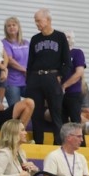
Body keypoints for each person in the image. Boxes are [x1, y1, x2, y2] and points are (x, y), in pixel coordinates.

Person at [25, 9, 71, 145]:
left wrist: (60, 76)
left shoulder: (60, 37)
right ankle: (39, 143)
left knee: (56, 113)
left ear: (48, 20)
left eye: (39, 20)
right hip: (35, 78)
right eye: (35, 21)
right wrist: (29, 81)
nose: (37, 23)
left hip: (52, 76)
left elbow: (67, 62)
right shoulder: (35, 39)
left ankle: (58, 144)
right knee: (36, 114)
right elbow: (30, 62)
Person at [2, 16, 30, 108]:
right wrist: (24, 70)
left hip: (27, 81)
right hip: (12, 82)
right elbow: (9, 60)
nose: (11, 27)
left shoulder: (26, 42)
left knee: (35, 104)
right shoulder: (4, 43)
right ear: (6, 29)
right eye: (8, 26)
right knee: (15, 109)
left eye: (14, 25)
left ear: (18, 27)